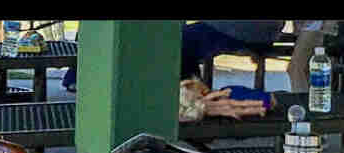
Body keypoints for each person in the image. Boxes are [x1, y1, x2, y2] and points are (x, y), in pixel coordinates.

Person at [62, 19, 284, 95]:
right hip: (245, 27)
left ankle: (190, 107)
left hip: (247, 28)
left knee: (174, 44)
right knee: (172, 40)